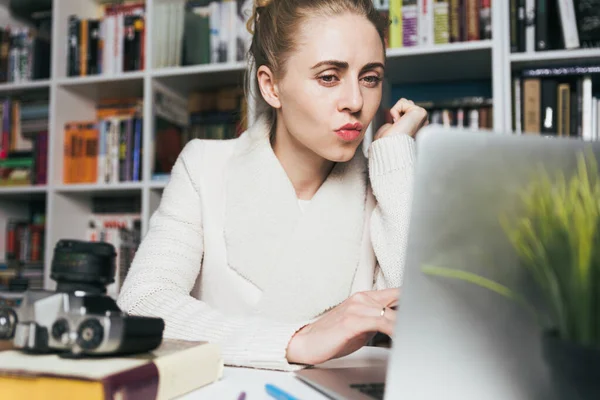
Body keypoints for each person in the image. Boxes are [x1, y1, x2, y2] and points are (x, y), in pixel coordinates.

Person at [117, 0, 428, 371]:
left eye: (370, 78)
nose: (356, 102)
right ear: (271, 86)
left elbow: (417, 318)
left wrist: (394, 155)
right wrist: (293, 341)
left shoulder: (387, 185)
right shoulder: (204, 166)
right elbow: (142, 302)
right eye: (329, 77)